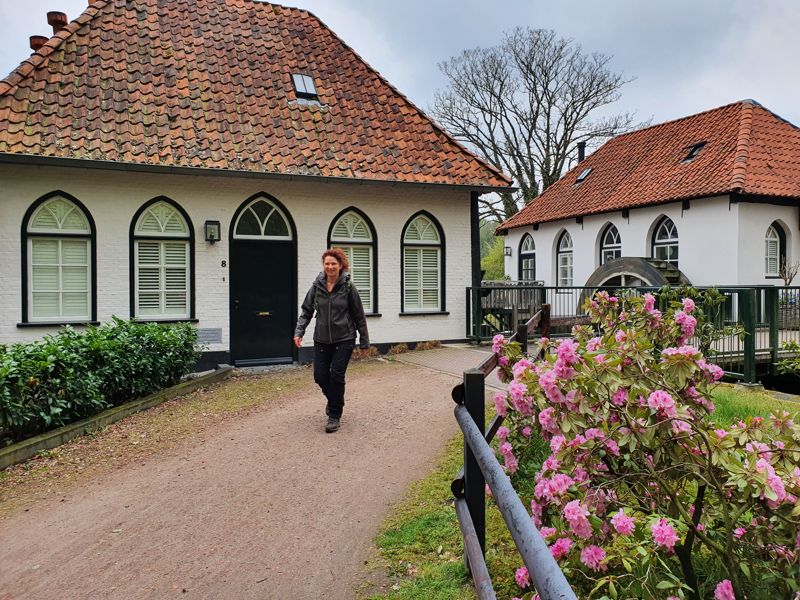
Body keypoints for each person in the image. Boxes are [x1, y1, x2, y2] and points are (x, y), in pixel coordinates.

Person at [294, 248, 369, 433]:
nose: (330, 266)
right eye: (327, 263)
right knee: (320, 376)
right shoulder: (317, 285)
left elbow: (359, 315)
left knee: (336, 375)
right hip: (321, 339)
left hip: (345, 338)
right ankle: (335, 400)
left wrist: (364, 341)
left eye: (333, 263)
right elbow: (306, 311)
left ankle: (334, 416)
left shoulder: (348, 286)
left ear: (340, 265)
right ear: (323, 265)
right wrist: (299, 331)